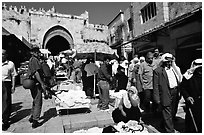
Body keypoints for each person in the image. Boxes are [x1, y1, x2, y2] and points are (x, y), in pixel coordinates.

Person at [153, 53, 182, 133]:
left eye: (170, 61)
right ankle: (170, 131)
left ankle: (163, 124)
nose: (169, 63)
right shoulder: (157, 71)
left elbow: (180, 79)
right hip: (166, 92)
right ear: (163, 61)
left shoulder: (175, 69)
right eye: (167, 62)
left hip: (175, 92)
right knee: (167, 112)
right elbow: (155, 86)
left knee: (172, 112)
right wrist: (157, 99)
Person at [27, 47, 46, 128]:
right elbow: (36, 73)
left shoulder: (32, 59)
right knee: (38, 101)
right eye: (37, 52)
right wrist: (41, 83)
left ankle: (32, 116)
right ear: (33, 52)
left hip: (32, 83)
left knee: (35, 100)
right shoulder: (34, 60)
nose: (38, 53)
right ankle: (35, 120)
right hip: (36, 83)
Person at [180, 59, 202, 133]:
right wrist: (187, 97)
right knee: (192, 122)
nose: (200, 70)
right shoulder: (188, 76)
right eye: (199, 68)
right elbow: (182, 88)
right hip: (193, 102)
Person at [2, 49, 18, 131]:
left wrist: (13, 86)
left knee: (6, 101)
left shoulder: (10, 64)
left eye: (3, 54)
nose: (1, 56)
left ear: (6, 55)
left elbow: (14, 75)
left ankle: (5, 121)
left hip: (6, 83)